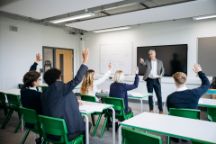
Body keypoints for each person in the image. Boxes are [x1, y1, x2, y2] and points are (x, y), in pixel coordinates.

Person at [41, 48, 89, 141]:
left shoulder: (45, 92)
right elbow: (77, 79)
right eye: (60, 76)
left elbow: (58, 102)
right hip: (65, 132)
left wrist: (75, 101)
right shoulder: (60, 88)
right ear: (58, 77)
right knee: (87, 124)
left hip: (50, 131)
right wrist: (85, 60)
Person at [20, 53, 42, 144]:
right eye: (39, 79)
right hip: (40, 123)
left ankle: (40, 139)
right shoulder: (37, 95)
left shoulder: (23, 90)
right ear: (34, 82)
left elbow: (30, 74)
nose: (40, 80)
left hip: (29, 121)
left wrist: (36, 62)